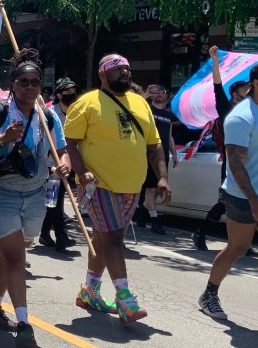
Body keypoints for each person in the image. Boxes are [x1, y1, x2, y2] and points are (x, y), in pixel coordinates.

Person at [0, 49, 69, 347]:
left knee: (10, 255)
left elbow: (61, 150)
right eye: (23, 81)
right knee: (16, 257)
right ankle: (24, 324)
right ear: (12, 84)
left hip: (36, 196)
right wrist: (1, 140)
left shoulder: (47, 115)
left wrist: (65, 164)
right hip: (1, 194)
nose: (29, 87)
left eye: (34, 81)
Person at [64, 53, 170, 324]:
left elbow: (154, 144)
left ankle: (90, 291)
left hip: (131, 185)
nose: (124, 72)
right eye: (117, 69)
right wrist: (80, 171)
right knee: (112, 238)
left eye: (126, 68)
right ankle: (125, 299)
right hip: (97, 184)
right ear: (102, 74)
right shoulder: (86, 104)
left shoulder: (140, 103)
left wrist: (162, 177)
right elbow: (71, 144)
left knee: (103, 238)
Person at [198, 59, 258, 320]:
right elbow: (236, 164)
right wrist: (254, 200)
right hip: (244, 197)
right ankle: (209, 293)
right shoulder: (241, 117)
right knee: (238, 248)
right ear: (257, 84)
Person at [192, 46, 258, 256]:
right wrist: (215, 61)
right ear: (234, 94)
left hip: (254, 162)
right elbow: (217, 85)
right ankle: (200, 232)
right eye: (244, 92)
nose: (247, 95)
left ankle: (245, 243)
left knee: (253, 200)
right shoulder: (227, 109)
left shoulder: (254, 110)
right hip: (232, 162)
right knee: (227, 202)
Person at [40, 77, 80, 251]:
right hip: (49, 164)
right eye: (67, 92)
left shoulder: (76, 112)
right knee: (55, 200)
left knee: (53, 200)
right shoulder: (49, 113)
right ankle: (61, 236)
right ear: (58, 94)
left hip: (66, 162)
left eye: (74, 92)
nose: (72, 95)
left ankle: (44, 233)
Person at [135, 84, 179, 234]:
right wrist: (146, 94)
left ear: (166, 97)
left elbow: (169, 136)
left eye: (163, 93)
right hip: (149, 154)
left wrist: (174, 154)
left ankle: (141, 215)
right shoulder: (147, 110)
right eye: (157, 93)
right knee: (151, 189)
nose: (160, 95)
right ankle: (155, 221)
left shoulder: (168, 115)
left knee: (154, 189)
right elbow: (133, 109)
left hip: (163, 156)